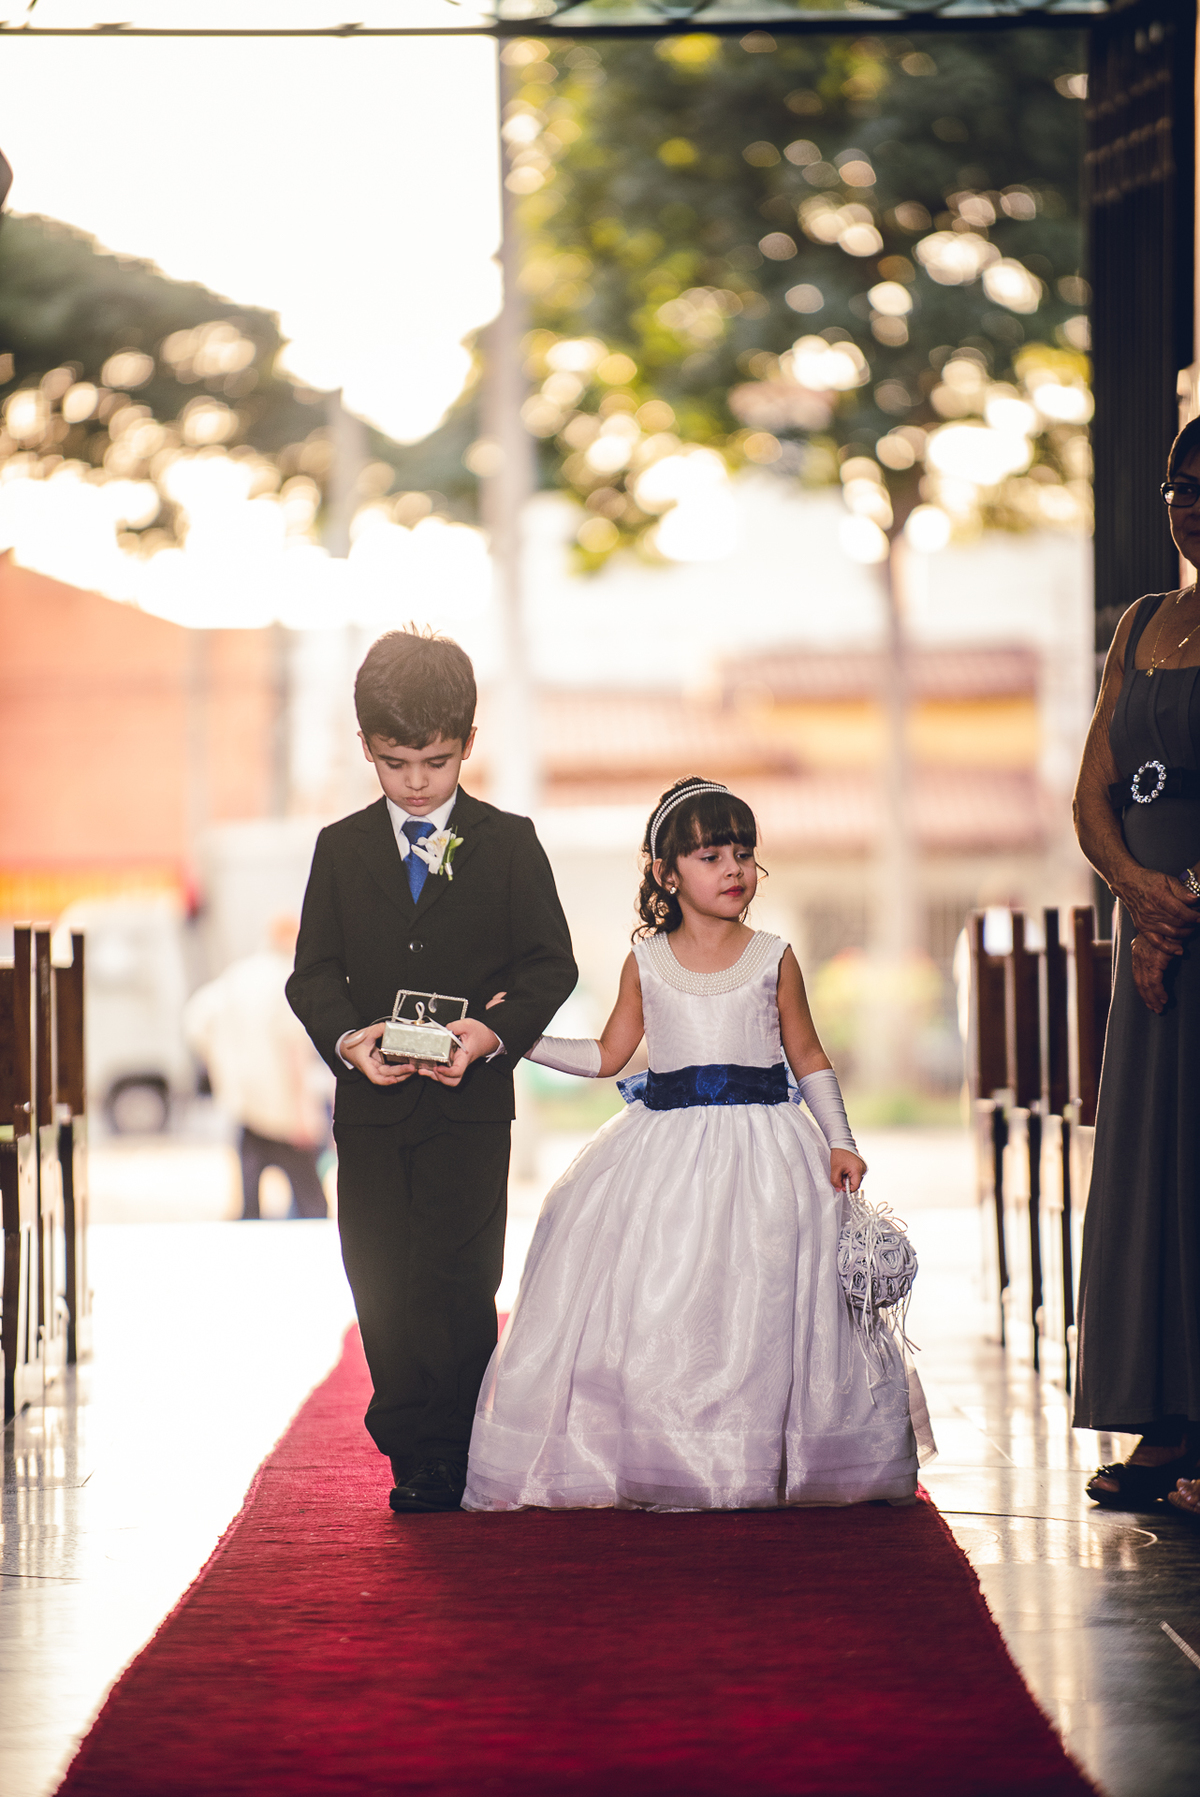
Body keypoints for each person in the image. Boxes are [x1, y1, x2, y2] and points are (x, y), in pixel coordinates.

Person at [463, 777, 920, 1513]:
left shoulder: (774, 956)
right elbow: (608, 1055)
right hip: (665, 1157)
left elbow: (808, 1056)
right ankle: (667, 1449)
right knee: (666, 1297)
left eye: (743, 853)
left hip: (770, 1156)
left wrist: (841, 1141)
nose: (734, 869)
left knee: (764, 1300)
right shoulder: (646, 963)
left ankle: (768, 1449)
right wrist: (515, 1038)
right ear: (666, 873)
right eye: (711, 856)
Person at [286, 628, 577, 1514]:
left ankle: (447, 1450)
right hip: (371, 1113)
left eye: (437, 762)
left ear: (468, 744)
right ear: (365, 745)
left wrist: (488, 1036)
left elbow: (550, 966)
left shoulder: (510, 842)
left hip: (469, 1107)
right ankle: (408, 1438)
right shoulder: (340, 848)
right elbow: (312, 974)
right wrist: (349, 1039)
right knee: (378, 1276)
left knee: (457, 1276)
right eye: (396, 761)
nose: (417, 782)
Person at [1072, 416, 1200, 1508]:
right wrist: (1134, 893)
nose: (1191, 504)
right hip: (1152, 934)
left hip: (1189, 923)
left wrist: (1181, 903)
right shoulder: (1144, 621)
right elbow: (1094, 786)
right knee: (1156, 1165)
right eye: (1178, 486)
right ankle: (1167, 1421)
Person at [183, 917, 332, 1220]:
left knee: (250, 1207)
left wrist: (222, 1061)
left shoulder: (239, 974)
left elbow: (196, 1020)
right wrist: (305, 1111)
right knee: (312, 1205)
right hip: (284, 1106)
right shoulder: (289, 978)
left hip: (245, 1103)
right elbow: (294, 1049)